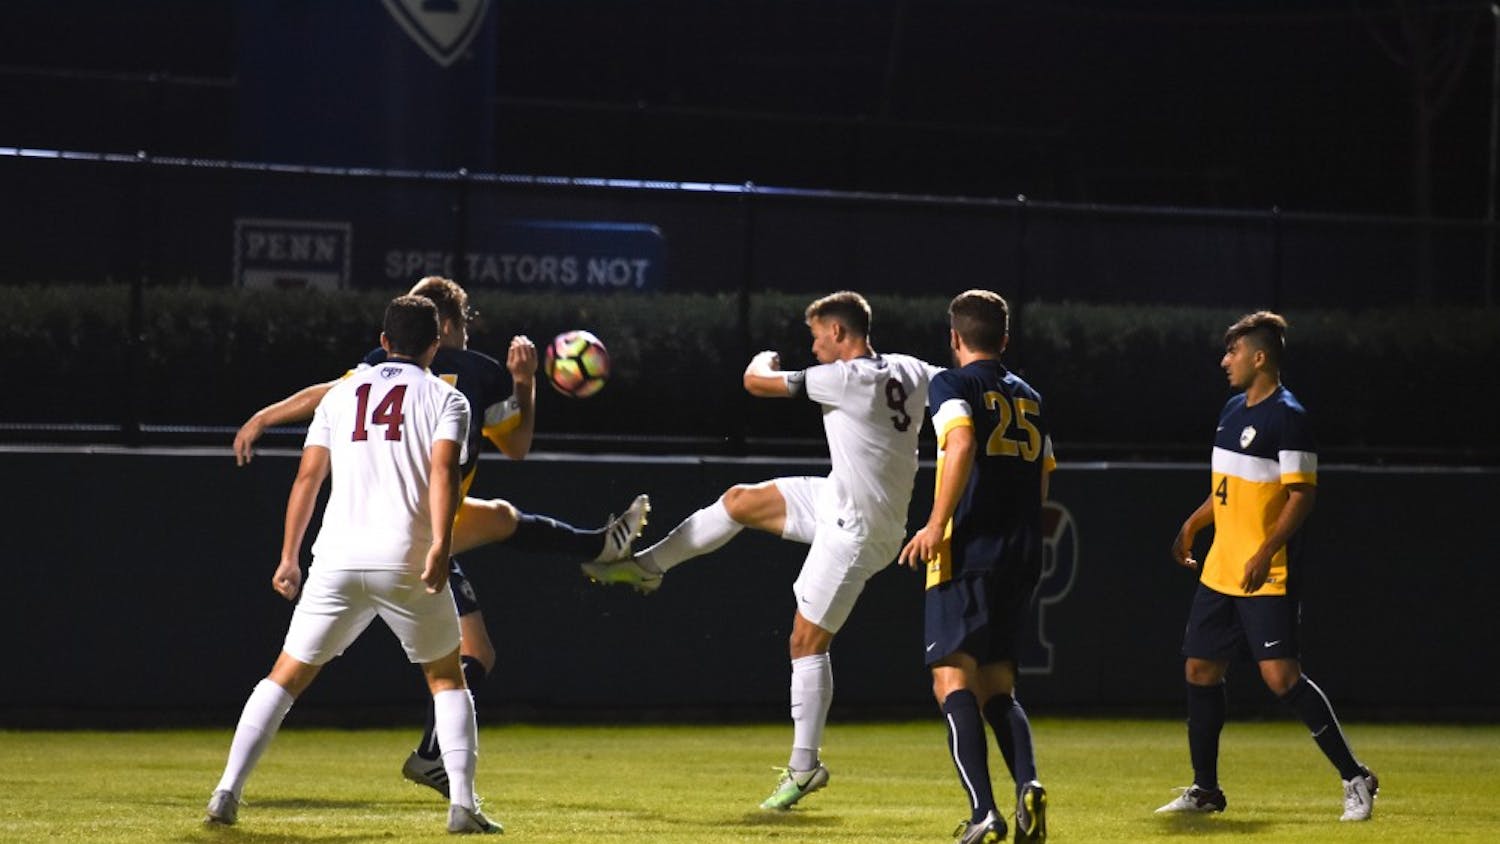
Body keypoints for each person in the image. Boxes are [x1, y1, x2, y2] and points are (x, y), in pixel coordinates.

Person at [233, 276, 649, 796]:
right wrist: (525, 383)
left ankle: (597, 547)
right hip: (423, 526)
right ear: (444, 328)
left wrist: (265, 416)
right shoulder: (476, 375)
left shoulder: (372, 369)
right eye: (464, 323)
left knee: (499, 518)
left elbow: (327, 399)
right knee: (464, 660)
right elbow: (514, 447)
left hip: (360, 530)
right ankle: (440, 763)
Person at [584, 290, 942, 810]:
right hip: (841, 499)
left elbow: (755, 382)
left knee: (805, 642)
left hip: (857, 530)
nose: (813, 347)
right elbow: (954, 386)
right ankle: (647, 568)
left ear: (838, 332)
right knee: (740, 501)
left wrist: (764, 359)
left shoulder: (843, 377)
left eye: (816, 336)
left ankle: (805, 767)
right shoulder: (909, 368)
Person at [205, 295, 501, 833]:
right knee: (446, 678)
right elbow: (443, 473)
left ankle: (226, 791)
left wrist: (289, 556)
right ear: (435, 345)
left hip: (337, 558)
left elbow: (308, 478)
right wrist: (440, 545)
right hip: (406, 558)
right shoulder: (446, 398)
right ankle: (462, 805)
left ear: (383, 341)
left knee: (284, 678)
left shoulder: (342, 394)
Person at [1156, 310, 1378, 822]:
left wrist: (1264, 552)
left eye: (1232, 352)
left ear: (1259, 358)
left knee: (1281, 677)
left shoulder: (1288, 415)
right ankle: (1206, 790)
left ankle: (1354, 777)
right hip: (1222, 568)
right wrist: (1192, 525)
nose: (1224, 361)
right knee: (1200, 669)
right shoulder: (1232, 409)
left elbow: (1302, 496)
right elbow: (1226, 489)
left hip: (1265, 570)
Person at [898, 290, 1053, 844]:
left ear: (955, 338)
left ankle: (984, 812)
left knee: (950, 679)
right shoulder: (1030, 396)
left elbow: (960, 443)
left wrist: (935, 524)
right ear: (1004, 339)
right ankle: (1028, 783)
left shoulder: (952, 383)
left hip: (967, 551)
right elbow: (1043, 473)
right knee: (997, 687)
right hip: (1021, 553)